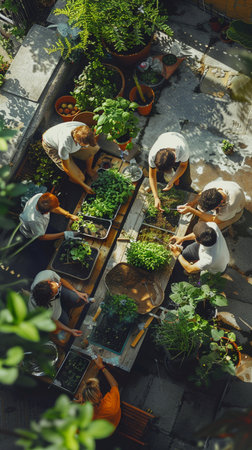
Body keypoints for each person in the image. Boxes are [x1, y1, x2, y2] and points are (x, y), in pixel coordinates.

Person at [42, 122, 100, 193]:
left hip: (63, 140)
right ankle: (72, 180)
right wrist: (84, 185)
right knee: (81, 178)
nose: (86, 147)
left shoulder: (83, 128)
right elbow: (67, 167)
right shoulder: (65, 145)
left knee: (92, 150)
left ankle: (89, 170)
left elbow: (89, 146)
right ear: (76, 141)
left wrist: (84, 147)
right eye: (83, 145)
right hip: (53, 147)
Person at [29, 269, 89, 337]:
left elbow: (60, 280)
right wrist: (70, 331)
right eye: (57, 288)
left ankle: (65, 305)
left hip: (56, 298)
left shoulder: (46, 275)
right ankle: (65, 307)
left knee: (78, 299)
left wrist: (76, 292)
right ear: (51, 298)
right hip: (54, 311)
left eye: (56, 284)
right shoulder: (43, 309)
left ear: (48, 281)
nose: (59, 284)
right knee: (65, 321)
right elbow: (55, 321)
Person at [177, 179, 245, 230]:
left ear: (220, 204)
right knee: (202, 218)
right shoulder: (210, 187)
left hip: (236, 212)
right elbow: (201, 195)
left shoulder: (230, 207)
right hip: (233, 188)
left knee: (208, 228)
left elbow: (215, 220)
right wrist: (192, 203)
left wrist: (192, 210)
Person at [148, 131, 191, 211]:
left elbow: (183, 166)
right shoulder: (153, 155)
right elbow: (152, 176)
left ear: (175, 160)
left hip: (178, 138)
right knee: (159, 177)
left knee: (185, 178)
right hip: (164, 137)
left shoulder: (183, 151)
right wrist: (156, 197)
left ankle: (180, 184)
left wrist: (172, 180)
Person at [74, 355, 121, 428]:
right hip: (115, 421)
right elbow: (114, 385)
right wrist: (101, 367)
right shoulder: (110, 404)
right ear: (100, 395)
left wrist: (78, 403)